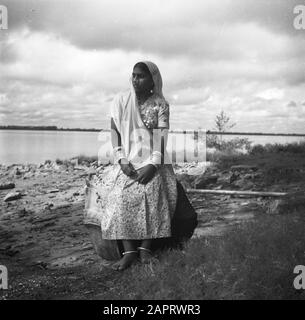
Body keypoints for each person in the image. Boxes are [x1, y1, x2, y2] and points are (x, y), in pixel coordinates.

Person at [84, 61, 178, 271]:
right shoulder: (120, 100)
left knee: (153, 194)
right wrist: (121, 159)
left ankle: (145, 249)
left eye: (141, 76)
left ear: (153, 79)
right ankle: (129, 252)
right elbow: (114, 131)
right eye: (134, 75)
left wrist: (153, 165)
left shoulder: (160, 105)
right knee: (119, 198)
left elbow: (161, 137)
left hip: (153, 160)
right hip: (126, 160)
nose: (135, 79)